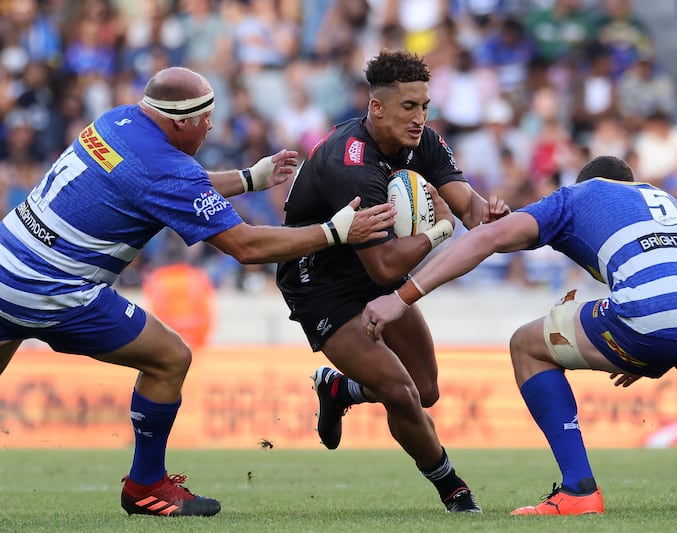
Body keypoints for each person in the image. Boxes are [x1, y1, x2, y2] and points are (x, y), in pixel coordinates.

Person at [0, 66, 395, 517]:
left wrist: (247, 179)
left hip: (6, 262)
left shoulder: (116, 122)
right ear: (180, 122)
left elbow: (174, 183)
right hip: (50, 286)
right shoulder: (163, 167)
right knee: (170, 359)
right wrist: (333, 232)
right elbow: (245, 246)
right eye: (205, 117)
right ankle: (147, 487)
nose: (211, 124)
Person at [363, 155, 677, 516]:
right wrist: (647, 349)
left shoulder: (577, 196)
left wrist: (401, 297)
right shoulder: (666, 200)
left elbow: (490, 239)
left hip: (654, 313)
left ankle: (578, 491)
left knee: (527, 346)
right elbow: (672, 272)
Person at [275, 49, 509, 513]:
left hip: (373, 265)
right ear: (376, 107)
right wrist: (439, 233)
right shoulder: (351, 163)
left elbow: (467, 206)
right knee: (401, 394)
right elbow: (384, 268)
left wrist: (490, 215)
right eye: (409, 107)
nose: (420, 117)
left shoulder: (421, 139)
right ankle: (454, 491)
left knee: (425, 390)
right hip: (320, 282)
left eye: (425, 106)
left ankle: (340, 389)